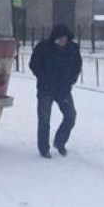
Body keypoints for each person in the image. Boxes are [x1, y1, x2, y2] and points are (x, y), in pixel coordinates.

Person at [29, 23, 83, 158]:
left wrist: (72, 79)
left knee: (70, 116)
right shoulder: (43, 48)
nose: (62, 41)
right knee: (44, 119)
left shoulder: (73, 48)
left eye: (64, 38)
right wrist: (43, 78)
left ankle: (60, 142)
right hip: (46, 89)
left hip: (63, 89)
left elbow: (77, 65)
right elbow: (33, 64)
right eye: (59, 38)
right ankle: (44, 148)